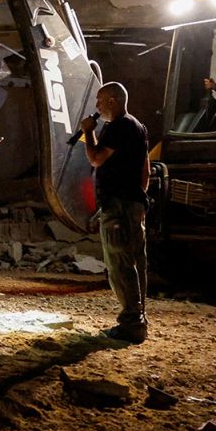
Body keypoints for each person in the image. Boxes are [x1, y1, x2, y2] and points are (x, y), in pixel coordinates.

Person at [79, 81, 151, 344]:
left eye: (100, 101)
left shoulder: (118, 126)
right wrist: (140, 202)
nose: (97, 107)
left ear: (112, 101)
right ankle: (139, 319)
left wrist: (89, 132)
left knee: (120, 264)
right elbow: (146, 169)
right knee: (136, 263)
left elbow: (96, 158)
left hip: (118, 206)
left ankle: (131, 325)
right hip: (132, 204)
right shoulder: (139, 127)